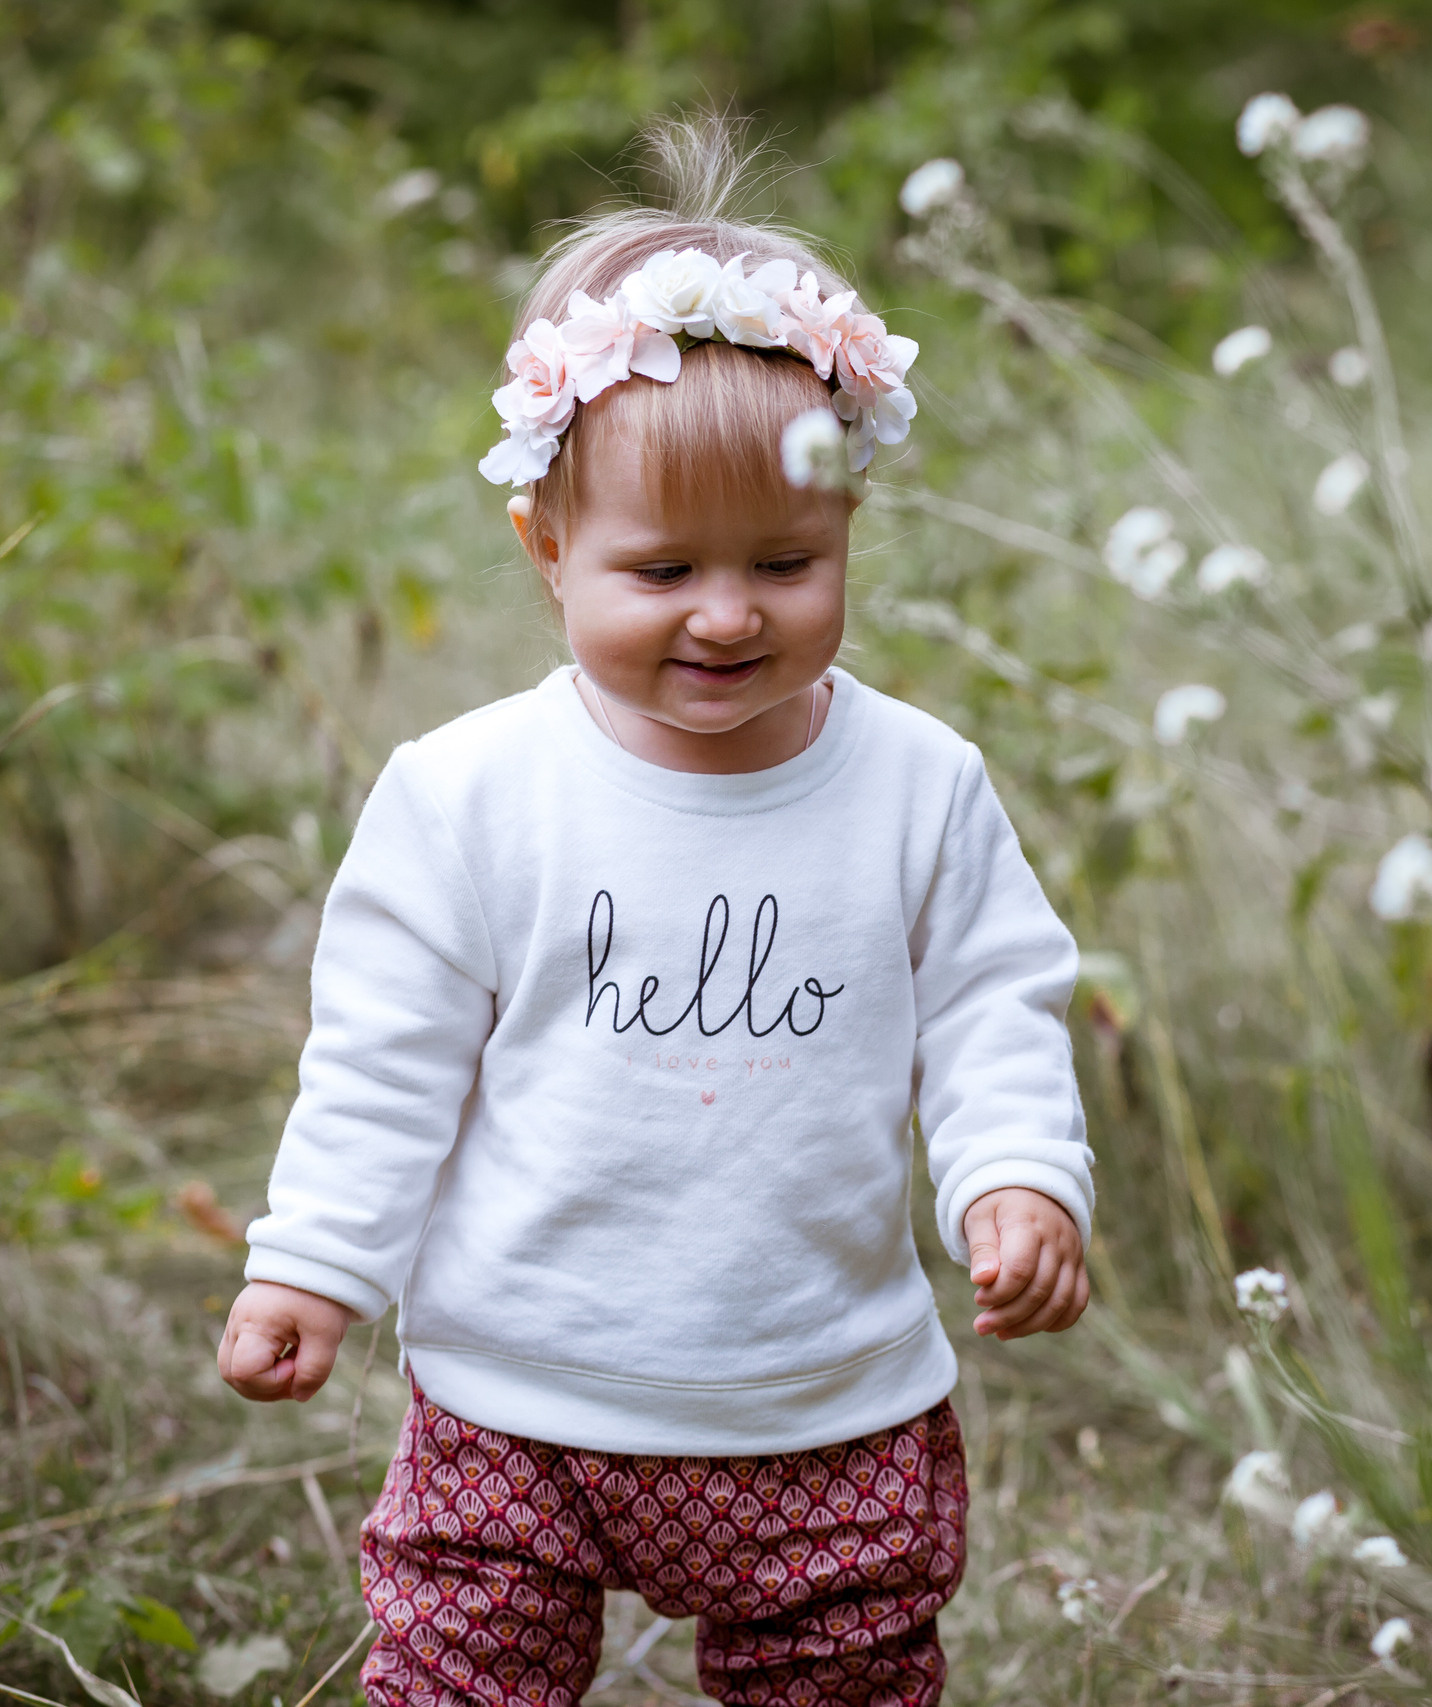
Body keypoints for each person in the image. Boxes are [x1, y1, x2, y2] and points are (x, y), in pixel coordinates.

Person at [214, 116, 1093, 1707]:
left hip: (820, 1400)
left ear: (848, 532)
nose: (729, 612)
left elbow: (989, 1004)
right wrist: (313, 1264)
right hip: (514, 1393)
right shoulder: (470, 794)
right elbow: (382, 1059)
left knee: (844, 1672)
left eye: (787, 559)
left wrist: (1018, 1175)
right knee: (458, 1677)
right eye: (661, 567)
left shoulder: (919, 784)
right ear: (546, 548)